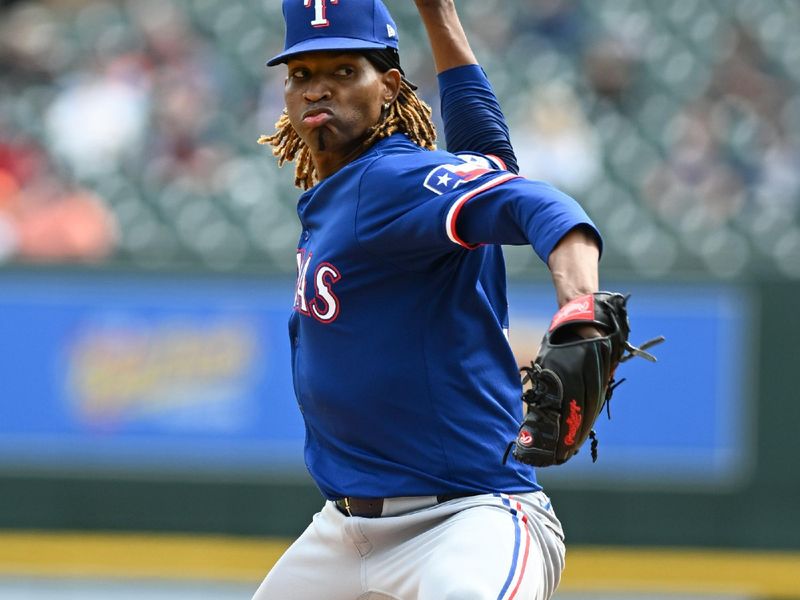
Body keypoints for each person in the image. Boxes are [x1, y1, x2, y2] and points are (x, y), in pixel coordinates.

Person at [253, 1, 602, 598]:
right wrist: (438, 13)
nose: (317, 90)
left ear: (389, 87)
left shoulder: (391, 180)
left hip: (467, 521)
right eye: (302, 75)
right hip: (344, 533)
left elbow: (541, 205)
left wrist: (580, 308)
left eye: (343, 71)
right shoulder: (349, 190)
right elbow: (492, 159)